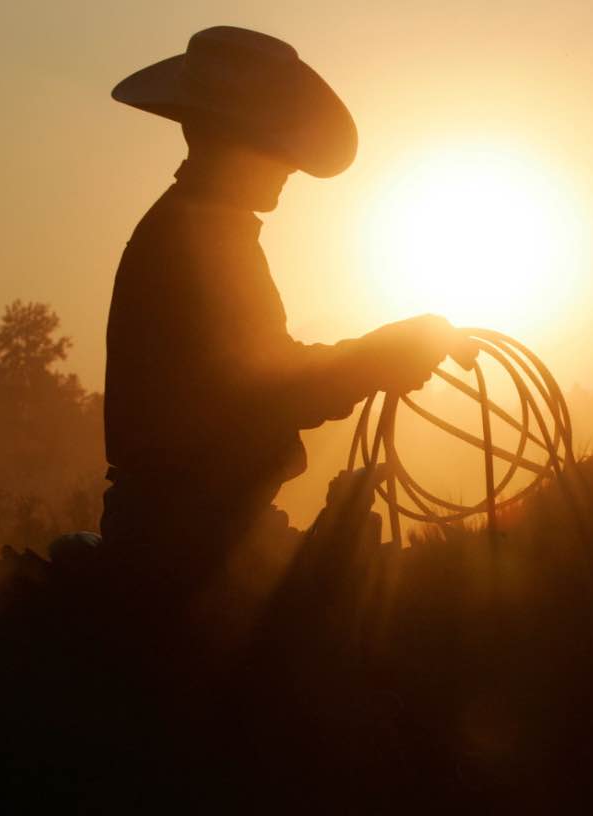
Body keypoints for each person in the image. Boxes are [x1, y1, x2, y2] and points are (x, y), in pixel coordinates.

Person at [101, 26, 472, 595]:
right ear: (231, 142)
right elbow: (272, 385)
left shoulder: (197, 227)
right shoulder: (197, 239)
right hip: (188, 547)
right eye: (278, 147)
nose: (291, 166)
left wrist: (393, 350)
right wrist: (396, 348)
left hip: (202, 528)